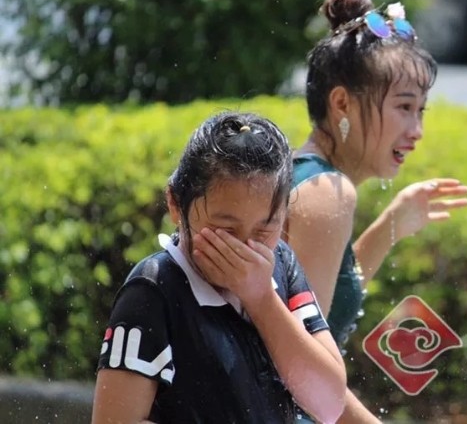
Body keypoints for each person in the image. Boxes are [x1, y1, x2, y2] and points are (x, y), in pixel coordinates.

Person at [284, 0, 467, 424]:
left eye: (421, 110)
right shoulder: (326, 193)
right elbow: (301, 364)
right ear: (342, 103)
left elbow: (320, 305)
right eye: (404, 107)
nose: (417, 130)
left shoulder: (306, 175)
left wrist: (390, 227)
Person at [92, 111, 347, 424]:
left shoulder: (281, 263)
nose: (244, 249)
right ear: (176, 205)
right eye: (225, 230)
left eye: (264, 230)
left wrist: (263, 301)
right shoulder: (153, 290)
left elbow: (329, 405)